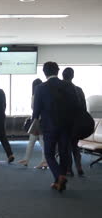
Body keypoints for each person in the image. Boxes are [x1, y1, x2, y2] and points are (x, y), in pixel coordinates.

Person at [33, 62, 79, 192]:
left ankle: (59, 176)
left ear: (44, 72)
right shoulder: (68, 85)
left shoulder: (40, 88)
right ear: (58, 71)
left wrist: (34, 122)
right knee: (64, 152)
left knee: (49, 154)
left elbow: (36, 110)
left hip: (49, 126)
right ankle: (59, 181)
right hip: (67, 125)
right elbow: (76, 104)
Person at [18, 79, 47, 168]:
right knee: (39, 141)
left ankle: (41, 161)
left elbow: (34, 108)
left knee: (36, 141)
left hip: (37, 121)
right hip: (43, 120)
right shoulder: (45, 94)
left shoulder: (35, 95)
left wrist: (34, 120)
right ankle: (28, 160)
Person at [62, 67, 86, 177]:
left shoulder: (60, 89)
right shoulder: (78, 90)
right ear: (73, 76)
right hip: (76, 123)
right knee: (75, 146)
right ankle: (79, 166)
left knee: (66, 146)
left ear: (62, 76)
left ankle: (68, 169)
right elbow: (84, 108)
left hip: (64, 122)